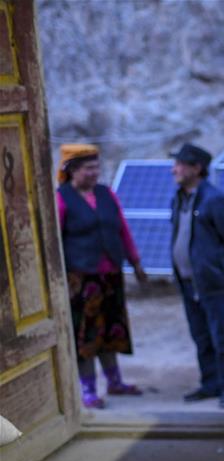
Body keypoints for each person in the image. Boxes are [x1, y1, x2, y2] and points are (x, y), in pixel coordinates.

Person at [56, 144, 147, 409]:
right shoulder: (62, 199)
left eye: (96, 167)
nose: (95, 172)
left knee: (110, 330)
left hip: (110, 276)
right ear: (73, 170)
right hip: (81, 280)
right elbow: (54, 240)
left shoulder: (106, 194)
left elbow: (123, 229)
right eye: (88, 168)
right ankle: (88, 390)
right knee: (86, 335)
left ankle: (115, 382)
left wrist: (136, 263)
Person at [169, 143, 224, 407]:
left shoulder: (215, 200)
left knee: (222, 337)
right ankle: (210, 384)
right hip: (189, 283)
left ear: (196, 168)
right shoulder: (179, 199)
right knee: (201, 336)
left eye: (179, 165)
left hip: (213, 282)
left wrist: (217, 262)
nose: (174, 170)